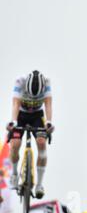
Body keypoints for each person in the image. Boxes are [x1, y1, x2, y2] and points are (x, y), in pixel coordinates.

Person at [6, 70, 54, 199]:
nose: (32, 100)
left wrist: (49, 122)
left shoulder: (47, 81)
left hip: (37, 116)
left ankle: (39, 184)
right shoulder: (20, 81)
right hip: (21, 115)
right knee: (15, 143)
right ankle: (15, 174)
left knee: (42, 143)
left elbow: (48, 103)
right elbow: (16, 103)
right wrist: (14, 121)